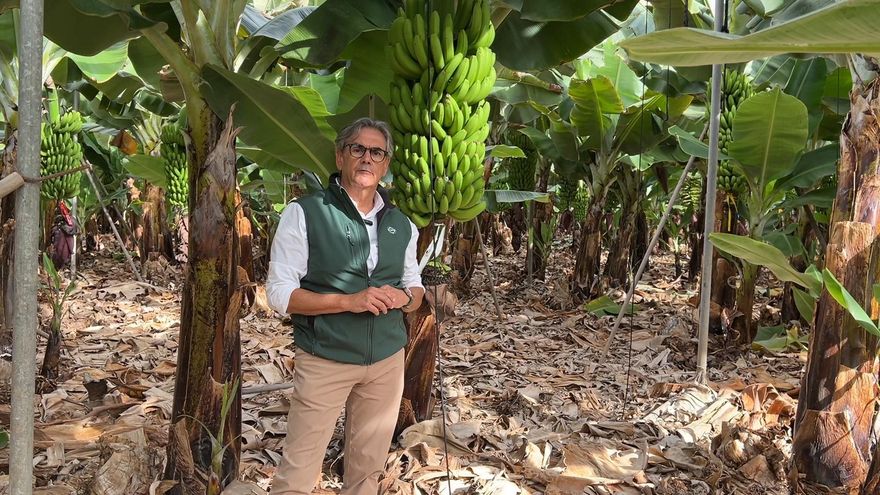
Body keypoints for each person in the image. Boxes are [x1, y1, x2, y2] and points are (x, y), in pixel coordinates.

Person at [266, 117, 425, 494]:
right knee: (299, 470)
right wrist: (348, 301)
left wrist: (403, 298)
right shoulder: (306, 212)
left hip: (386, 361)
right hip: (327, 357)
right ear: (340, 157)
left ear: (386, 164)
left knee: (368, 470)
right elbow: (279, 294)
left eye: (377, 152)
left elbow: (414, 286)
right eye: (358, 149)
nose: (367, 158)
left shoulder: (401, 224)